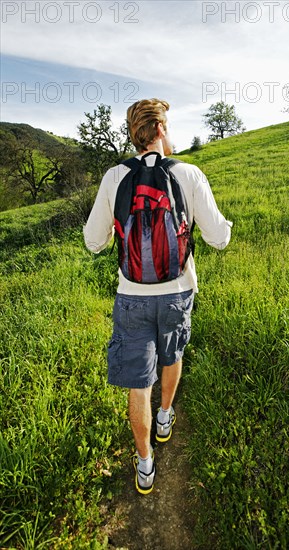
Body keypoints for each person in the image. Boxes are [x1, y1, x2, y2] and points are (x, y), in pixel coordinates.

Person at [83, 98, 232, 495]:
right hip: (178, 292)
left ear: (134, 134)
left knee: (137, 383)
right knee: (173, 355)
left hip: (131, 296)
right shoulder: (190, 173)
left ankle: (145, 463)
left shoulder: (115, 176)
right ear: (162, 130)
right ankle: (165, 416)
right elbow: (218, 238)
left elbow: (93, 241)